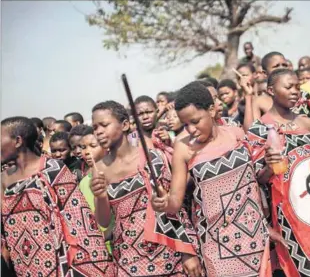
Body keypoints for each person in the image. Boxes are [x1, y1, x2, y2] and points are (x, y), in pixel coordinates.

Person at [151, 82, 271, 277]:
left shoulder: (236, 134)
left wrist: (271, 166)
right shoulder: (183, 148)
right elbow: (174, 204)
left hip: (256, 238)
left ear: (212, 110)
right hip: (217, 246)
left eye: (195, 121)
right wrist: (163, 203)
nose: (190, 129)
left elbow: (257, 181)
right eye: (185, 124)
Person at [247, 69, 310, 277]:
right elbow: (258, 180)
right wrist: (268, 166)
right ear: (270, 90)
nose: (294, 91)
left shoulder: (307, 123)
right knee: (305, 267)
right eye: (287, 87)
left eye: (296, 87)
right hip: (290, 212)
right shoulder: (259, 129)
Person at [89, 100, 199, 276]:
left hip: (168, 251)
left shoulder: (151, 157)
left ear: (125, 125)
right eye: (95, 128)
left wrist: (187, 252)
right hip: (128, 258)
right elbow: (103, 221)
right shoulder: (99, 169)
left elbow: (174, 208)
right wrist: (101, 196)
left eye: (104, 125)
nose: (98, 131)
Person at [1, 117, 114, 276]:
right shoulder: (4, 179)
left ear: (18, 141)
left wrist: (92, 266)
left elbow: (80, 220)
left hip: (61, 264)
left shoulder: (52, 169)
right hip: (26, 267)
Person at [77, 125, 113, 254]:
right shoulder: (84, 182)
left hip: (116, 243)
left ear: (106, 146)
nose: (86, 152)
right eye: (83, 147)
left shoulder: (113, 176)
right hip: (96, 249)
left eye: (93, 146)